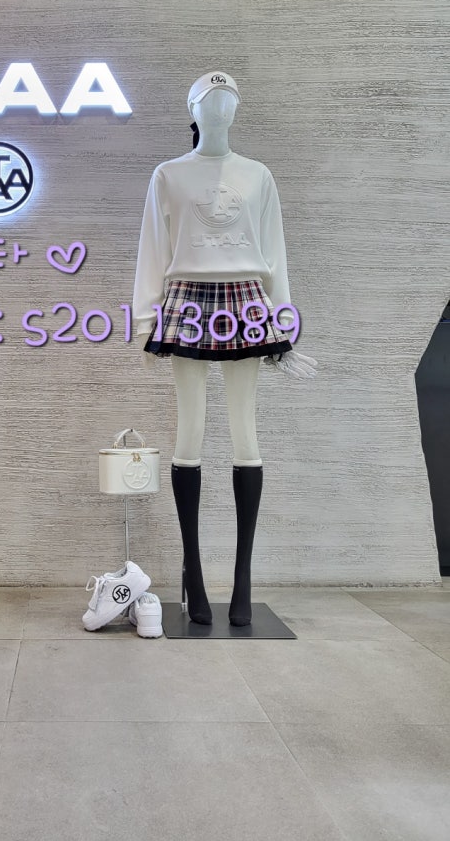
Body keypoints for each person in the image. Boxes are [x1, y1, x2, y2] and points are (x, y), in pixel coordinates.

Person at [132, 72, 316, 626]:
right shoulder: (168, 174)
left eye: (228, 100)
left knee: (245, 433)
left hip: (247, 295)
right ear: (192, 109)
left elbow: (275, 252)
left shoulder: (258, 175)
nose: (220, 109)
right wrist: (145, 319)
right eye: (210, 101)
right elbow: (152, 248)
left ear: (237, 110)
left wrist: (284, 323)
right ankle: (193, 574)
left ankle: (242, 580)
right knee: (189, 432)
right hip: (187, 296)